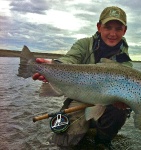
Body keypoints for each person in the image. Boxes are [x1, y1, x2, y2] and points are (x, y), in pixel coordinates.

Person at [32, 6, 132, 149]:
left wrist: (124, 102)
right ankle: (85, 128)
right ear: (99, 27)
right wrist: (55, 66)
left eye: (118, 28)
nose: (112, 33)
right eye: (108, 27)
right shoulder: (84, 44)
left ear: (124, 31)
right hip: (80, 99)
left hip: (107, 103)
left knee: (120, 111)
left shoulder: (125, 61)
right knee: (63, 142)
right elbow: (70, 59)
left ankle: (102, 141)